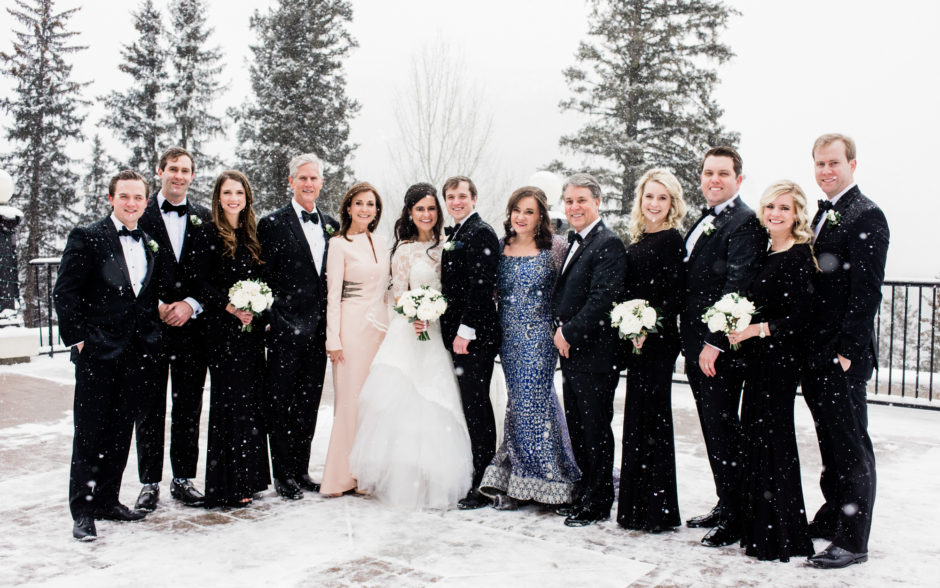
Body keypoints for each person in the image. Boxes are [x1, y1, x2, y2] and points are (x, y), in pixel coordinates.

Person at [349, 183, 473, 509]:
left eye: (431, 208)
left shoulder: (450, 245)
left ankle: (438, 476)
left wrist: (436, 312)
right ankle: (403, 475)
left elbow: (456, 290)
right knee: (405, 401)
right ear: (410, 212)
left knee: (439, 401)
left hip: (439, 333)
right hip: (411, 329)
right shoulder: (403, 250)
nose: (426, 214)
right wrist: (416, 312)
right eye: (420, 209)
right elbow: (398, 293)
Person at [53, 170, 160, 540]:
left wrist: (150, 339)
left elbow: (143, 297)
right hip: (97, 351)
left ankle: (107, 500)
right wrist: (79, 340)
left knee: (120, 430)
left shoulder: (148, 240)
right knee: (90, 432)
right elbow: (65, 292)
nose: (132, 203)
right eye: (125, 196)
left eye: (138, 198)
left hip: (136, 353)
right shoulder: (87, 237)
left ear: (146, 202)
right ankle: (82, 510)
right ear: (111, 198)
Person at [802, 134, 889, 569]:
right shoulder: (824, 214)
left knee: (851, 445)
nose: (825, 171)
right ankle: (835, 512)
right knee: (830, 441)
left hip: (842, 355)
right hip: (816, 352)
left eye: (834, 163)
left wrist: (848, 352)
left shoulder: (866, 215)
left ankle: (854, 540)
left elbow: (866, 290)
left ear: (853, 164)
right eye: (819, 164)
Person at [728, 180, 816, 562]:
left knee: (775, 442)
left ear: (796, 213)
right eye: (770, 208)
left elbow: (801, 318)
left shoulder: (799, 255)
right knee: (756, 439)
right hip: (758, 362)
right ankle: (759, 527)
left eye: (784, 208)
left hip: (780, 363)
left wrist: (756, 329)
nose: (775, 214)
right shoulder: (767, 252)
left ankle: (781, 535)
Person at [680, 146, 764, 547]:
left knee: (725, 430)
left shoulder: (745, 222)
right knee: (713, 430)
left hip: (719, 351)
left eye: (723, 174)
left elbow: (738, 287)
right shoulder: (707, 219)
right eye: (708, 173)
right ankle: (725, 501)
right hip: (696, 345)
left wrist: (715, 343)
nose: (714, 180)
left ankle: (736, 517)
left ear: (738, 180)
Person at [478, 187, 580, 509]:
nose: (521, 217)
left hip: (539, 339)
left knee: (532, 403)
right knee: (519, 404)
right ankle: (524, 476)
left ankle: (548, 479)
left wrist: (565, 327)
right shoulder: (501, 245)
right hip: (508, 339)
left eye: (529, 212)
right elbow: (490, 290)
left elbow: (574, 287)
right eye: (516, 210)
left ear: (541, 217)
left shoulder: (556, 248)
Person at [134, 146, 212, 510]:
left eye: (185, 170)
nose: (179, 176)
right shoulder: (139, 214)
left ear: (192, 176)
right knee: (148, 407)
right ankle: (149, 482)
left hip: (192, 330)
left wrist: (191, 304)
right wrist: (158, 306)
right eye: (173, 169)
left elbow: (213, 274)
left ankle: (183, 478)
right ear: (159, 171)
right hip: (149, 329)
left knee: (188, 407)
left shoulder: (204, 217)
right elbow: (128, 270)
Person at [259, 153, 339, 500]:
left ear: (322, 183)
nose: (308, 184)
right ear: (290, 182)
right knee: (280, 403)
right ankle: (283, 473)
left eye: (314, 178)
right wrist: (273, 321)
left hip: (318, 331)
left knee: (308, 403)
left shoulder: (331, 224)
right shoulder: (272, 223)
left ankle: (302, 468)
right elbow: (262, 277)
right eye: (302, 178)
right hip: (285, 328)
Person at [551, 173, 627, 527]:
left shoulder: (608, 243)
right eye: (569, 201)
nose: (574, 207)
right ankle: (584, 493)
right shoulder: (577, 240)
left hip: (595, 354)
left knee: (596, 429)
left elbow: (603, 300)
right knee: (579, 428)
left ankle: (598, 501)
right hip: (573, 354)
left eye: (581, 200)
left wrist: (569, 332)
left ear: (597, 201)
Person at [193, 171, 271, 508]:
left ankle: (250, 479)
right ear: (218, 197)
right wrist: (229, 306)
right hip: (222, 333)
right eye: (227, 192)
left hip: (251, 333)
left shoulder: (252, 234)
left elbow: (265, 280)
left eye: (239, 192)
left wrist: (258, 308)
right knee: (229, 405)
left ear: (246, 197)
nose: (233, 198)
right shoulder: (207, 233)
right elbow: (198, 281)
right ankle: (226, 484)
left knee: (251, 403)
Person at [617, 169, 687, 533]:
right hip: (636, 338)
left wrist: (647, 326)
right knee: (637, 419)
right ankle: (635, 507)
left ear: (672, 203)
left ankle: (657, 510)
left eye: (662, 198)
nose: (654, 203)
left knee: (654, 420)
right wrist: (630, 325)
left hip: (657, 341)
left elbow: (672, 296)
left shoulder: (673, 241)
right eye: (649, 197)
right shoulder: (639, 240)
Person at [321, 182, 389, 496]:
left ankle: (366, 473)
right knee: (350, 401)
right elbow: (333, 295)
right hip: (350, 327)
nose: (365, 209)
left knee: (373, 401)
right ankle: (341, 476)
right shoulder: (338, 244)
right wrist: (332, 338)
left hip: (381, 327)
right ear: (348, 207)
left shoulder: (382, 241)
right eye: (359, 203)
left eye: (371, 204)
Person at [440, 175, 500, 510]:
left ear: (474, 198)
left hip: (474, 337)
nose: (456, 201)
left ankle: (483, 482)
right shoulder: (459, 232)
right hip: (459, 334)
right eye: (451, 196)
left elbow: (481, 286)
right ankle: (477, 472)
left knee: (477, 406)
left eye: (462, 196)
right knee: (469, 405)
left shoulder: (481, 232)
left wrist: (466, 330)